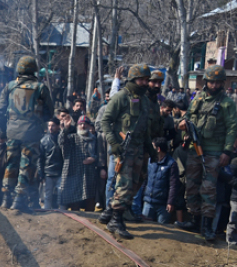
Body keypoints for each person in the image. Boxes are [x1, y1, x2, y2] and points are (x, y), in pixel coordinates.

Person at [180, 64, 237, 242]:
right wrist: (184, 131)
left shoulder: (227, 103)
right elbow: (188, 118)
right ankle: (195, 220)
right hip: (194, 149)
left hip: (213, 151)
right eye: (212, 82)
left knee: (208, 189)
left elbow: (231, 129)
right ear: (206, 82)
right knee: (191, 186)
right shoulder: (198, 99)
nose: (214, 85)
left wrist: (227, 152)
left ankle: (207, 226)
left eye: (218, 82)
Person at [100, 64, 155, 239]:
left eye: (147, 80)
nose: (145, 83)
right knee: (124, 183)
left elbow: (145, 127)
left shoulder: (145, 100)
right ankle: (116, 220)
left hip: (139, 148)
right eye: (142, 80)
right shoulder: (121, 97)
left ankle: (110, 209)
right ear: (132, 80)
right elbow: (105, 121)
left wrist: (150, 148)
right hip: (123, 148)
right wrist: (113, 143)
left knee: (137, 181)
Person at [0, 56, 54, 211]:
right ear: (33, 69)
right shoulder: (40, 88)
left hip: (12, 132)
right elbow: (50, 111)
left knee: (11, 165)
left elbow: (0, 111)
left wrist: (1, 131)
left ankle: (6, 199)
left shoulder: (9, 87)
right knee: (26, 166)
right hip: (31, 133)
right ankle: (19, 199)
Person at [58, 115, 100, 210]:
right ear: (77, 126)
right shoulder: (72, 137)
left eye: (85, 124)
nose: (83, 126)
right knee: (74, 201)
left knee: (90, 199)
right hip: (74, 172)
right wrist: (66, 129)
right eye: (80, 124)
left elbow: (100, 154)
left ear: (89, 126)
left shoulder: (94, 139)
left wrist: (94, 158)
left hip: (89, 173)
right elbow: (61, 141)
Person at [141, 137, 179, 224]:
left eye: (153, 147)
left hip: (163, 205)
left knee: (163, 229)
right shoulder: (150, 160)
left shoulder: (171, 164)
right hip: (148, 202)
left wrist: (170, 202)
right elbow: (145, 179)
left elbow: (173, 185)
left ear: (158, 149)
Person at [40, 118, 63, 209]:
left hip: (60, 171)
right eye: (49, 125)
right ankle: (47, 214)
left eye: (53, 125)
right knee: (47, 195)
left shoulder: (62, 139)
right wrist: (41, 174)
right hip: (48, 172)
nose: (50, 128)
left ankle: (63, 213)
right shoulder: (44, 140)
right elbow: (40, 159)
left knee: (61, 195)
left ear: (58, 126)